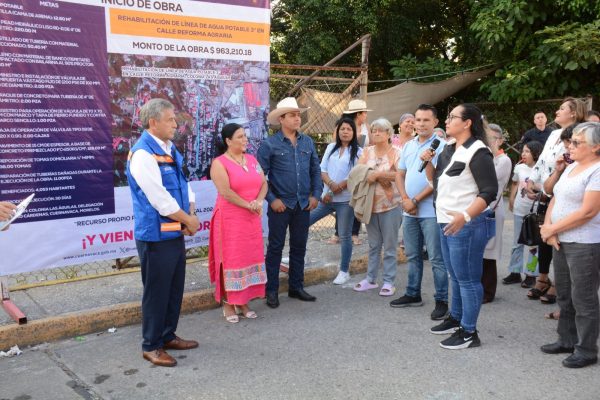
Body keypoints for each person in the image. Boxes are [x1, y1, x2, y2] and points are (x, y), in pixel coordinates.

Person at [126, 98, 200, 367]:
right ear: (153, 122)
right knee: (157, 292)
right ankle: (151, 345)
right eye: (170, 120)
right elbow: (159, 198)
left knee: (173, 288)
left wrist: (190, 213)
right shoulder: (143, 154)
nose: (175, 124)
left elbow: (184, 183)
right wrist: (188, 220)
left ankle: (167, 335)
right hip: (155, 236)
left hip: (174, 231)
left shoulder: (169, 149)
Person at [423, 103, 498, 349]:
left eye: (452, 117)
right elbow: (437, 182)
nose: (446, 120)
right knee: (455, 275)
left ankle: (469, 332)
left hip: (467, 224)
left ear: (467, 123)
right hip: (446, 221)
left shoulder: (478, 151)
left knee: (468, 279)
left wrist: (465, 216)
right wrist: (429, 163)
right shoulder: (448, 148)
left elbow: (489, 191)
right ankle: (456, 318)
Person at [539, 122, 600, 368]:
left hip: (584, 243)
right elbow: (555, 197)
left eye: (576, 142)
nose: (569, 146)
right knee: (564, 293)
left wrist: (553, 229)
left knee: (583, 297)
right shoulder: (572, 166)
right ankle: (566, 340)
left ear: (596, 147)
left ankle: (586, 349)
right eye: (570, 141)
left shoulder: (597, 171)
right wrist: (548, 227)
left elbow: (588, 212)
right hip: (561, 240)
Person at [257, 97, 322, 309]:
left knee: (299, 246)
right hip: (280, 206)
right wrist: (272, 199)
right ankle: (271, 291)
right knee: (275, 247)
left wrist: (316, 195)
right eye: (292, 115)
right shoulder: (269, 144)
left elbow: (315, 170)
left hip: (303, 204)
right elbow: (260, 177)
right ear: (281, 119)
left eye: (298, 115)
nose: (297, 118)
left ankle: (296, 287)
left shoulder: (307, 142)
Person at [390, 104, 449, 320]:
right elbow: (400, 174)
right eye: (418, 120)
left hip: (431, 213)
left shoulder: (443, 147)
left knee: (436, 259)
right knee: (413, 255)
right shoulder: (408, 145)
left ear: (435, 122)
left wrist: (415, 200)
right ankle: (413, 293)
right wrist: (406, 199)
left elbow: (438, 180)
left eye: (426, 120)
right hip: (409, 211)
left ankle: (442, 300)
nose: (421, 124)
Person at [525, 98, 587, 303]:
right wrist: (531, 181)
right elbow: (542, 160)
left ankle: (559, 286)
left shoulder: (580, 134)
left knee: (560, 238)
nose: (557, 112)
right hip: (546, 189)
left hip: (564, 190)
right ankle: (543, 278)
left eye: (562, 108)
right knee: (544, 236)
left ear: (574, 113)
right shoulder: (553, 134)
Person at [208, 123, 268, 323]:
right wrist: (249, 205)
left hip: (251, 218)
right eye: (240, 137)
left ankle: (243, 302)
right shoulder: (219, 163)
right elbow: (225, 192)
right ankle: (228, 303)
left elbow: (264, 183)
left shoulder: (251, 160)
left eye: (245, 136)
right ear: (228, 141)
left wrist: (258, 201)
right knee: (230, 260)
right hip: (230, 219)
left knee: (247, 259)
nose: (245, 140)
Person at [353, 118, 402, 296]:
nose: (376, 133)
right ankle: (371, 279)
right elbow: (359, 173)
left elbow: (400, 175)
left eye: (381, 130)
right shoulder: (367, 151)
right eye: (374, 131)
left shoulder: (397, 152)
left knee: (389, 246)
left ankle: (389, 281)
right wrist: (380, 175)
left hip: (391, 205)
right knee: (373, 245)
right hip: (370, 205)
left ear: (389, 133)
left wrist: (376, 175)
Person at [310, 118, 362, 285]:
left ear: (354, 133)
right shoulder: (331, 147)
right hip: (326, 198)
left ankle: (344, 271)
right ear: (338, 131)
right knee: (304, 221)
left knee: (345, 235)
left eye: (348, 129)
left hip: (345, 200)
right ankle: (296, 257)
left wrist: (333, 190)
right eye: (342, 129)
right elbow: (322, 169)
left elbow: (352, 176)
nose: (345, 132)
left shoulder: (359, 152)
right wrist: (330, 187)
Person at [327, 99, 372, 246]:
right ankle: (338, 232)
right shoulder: (342, 125)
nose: (366, 115)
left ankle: (354, 233)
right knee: (341, 202)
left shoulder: (366, 126)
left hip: (360, 161)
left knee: (356, 198)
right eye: (364, 113)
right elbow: (336, 144)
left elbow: (371, 143)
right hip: (343, 165)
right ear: (358, 114)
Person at [503, 141, 543, 287]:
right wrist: (511, 199)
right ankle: (515, 272)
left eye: (527, 151)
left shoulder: (541, 169)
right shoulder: (519, 167)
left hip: (535, 213)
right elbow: (514, 183)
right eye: (523, 151)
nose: (523, 154)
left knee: (534, 245)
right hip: (519, 210)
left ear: (535, 153)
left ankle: (531, 274)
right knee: (517, 242)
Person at [481, 123, 512, 303]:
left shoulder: (503, 160)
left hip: (492, 209)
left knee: (489, 251)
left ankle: (488, 291)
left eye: (492, 138)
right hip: (480, 208)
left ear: (500, 140)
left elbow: (487, 178)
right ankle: (479, 287)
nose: (488, 141)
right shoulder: (484, 156)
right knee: (480, 250)